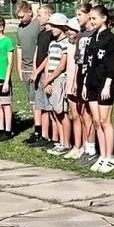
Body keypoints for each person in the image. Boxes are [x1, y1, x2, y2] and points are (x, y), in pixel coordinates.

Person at [84, 5, 114, 173]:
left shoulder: (111, 39)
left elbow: (111, 64)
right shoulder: (92, 38)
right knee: (97, 122)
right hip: (91, 83)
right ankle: (102, 155)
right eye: (90, 18)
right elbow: (87, 62)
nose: (91, 21)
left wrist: (107, 85)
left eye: (94, 18)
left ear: (104, 18)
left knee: (105, 121)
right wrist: (85, 83)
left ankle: (110, 157)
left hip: (104, 84)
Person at [71, 3, 100, 168]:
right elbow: (77, 60)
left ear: (89, 15)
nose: (77, 18)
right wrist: (75, 81)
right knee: (82, 113)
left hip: (92, 75)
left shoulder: (95, 33)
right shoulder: (81, 34)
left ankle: (93, 149)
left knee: (91, 113)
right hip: (81, 74)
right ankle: (87, 148)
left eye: (80, 14)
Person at [14, 1, 45, 145]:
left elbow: (41, 48)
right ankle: (38, 127)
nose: (20, 20)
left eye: (22, 16)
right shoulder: (20, 28)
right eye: (18, 17)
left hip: (37, 69)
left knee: (37, 101)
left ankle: (40, 130)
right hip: (25, 69)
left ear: (29, 13)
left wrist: (35, 69)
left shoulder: (37, 26)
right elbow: (19, 48)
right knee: (31, 100)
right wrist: (19, 68)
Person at [42, 13, 73, 156]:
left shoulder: (65, 43)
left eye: (55, 26)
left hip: (60, 80)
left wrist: (50, 79)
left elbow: (62, 66)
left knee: (62, 112)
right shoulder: (52, 42)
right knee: (55, 113)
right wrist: (47, 80)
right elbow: (49, 61)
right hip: (51, 80)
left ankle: (66, 143)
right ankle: (61, 141)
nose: (52, 28)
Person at [29, 4, 55, 147]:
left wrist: (38, 71)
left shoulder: (52, 34)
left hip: (45, 73)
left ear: (49, 16)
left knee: (48, 106)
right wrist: (34, 69)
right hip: (37, 73)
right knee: (40, 106)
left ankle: (50, 136)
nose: (37, 18)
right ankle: (42, 135)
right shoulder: (41, 33)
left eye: (40, 15)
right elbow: (37, 52)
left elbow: (48, 57)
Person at [61, 15, 84, 160]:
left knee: (82, 116)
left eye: (72, 29)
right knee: (74, 115)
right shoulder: (68, 46)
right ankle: (77, 145)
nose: (69, 32)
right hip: (69, 83)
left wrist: (76, 82)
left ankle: (84, 146)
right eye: (68, 29)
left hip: (78, 84)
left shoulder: (80, 46)